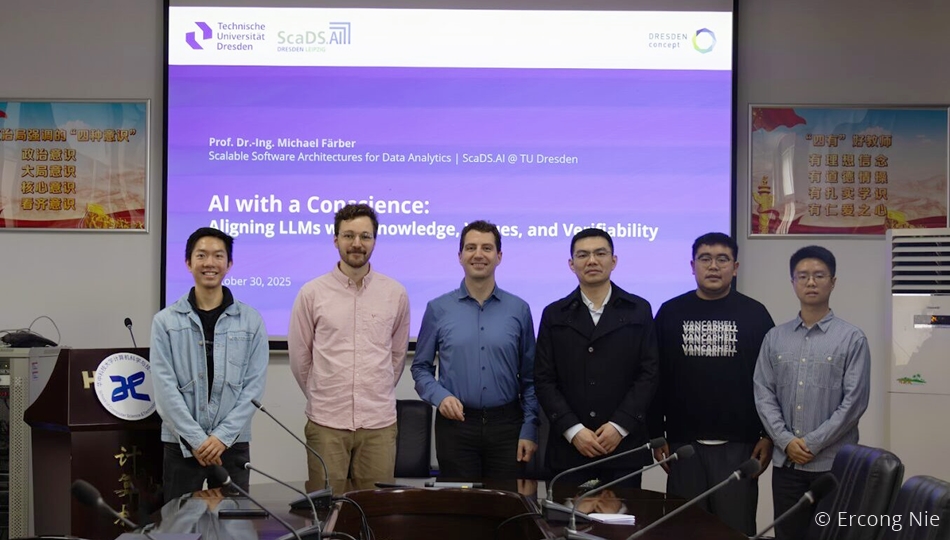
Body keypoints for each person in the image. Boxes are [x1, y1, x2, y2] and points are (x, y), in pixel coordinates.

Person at [648, 232, 774, 535]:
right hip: (683, 446)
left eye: (722, 259)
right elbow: (653, 377)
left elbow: (771, 382)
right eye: (705, 259)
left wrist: (768, 435)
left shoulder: (755, 314)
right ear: (692, 266)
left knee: (735, 530)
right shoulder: (670, 313)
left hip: (740, 446)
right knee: (684, 530)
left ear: (736, 266)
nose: (713, 266)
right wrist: (655, 433)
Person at [288, 204, 410, 491]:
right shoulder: (312, 293)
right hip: (327, 423)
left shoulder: (395, 293)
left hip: (378, 424)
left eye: (365, 236)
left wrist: (375, 389)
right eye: (349, 236)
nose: (357, 244)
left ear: (374, 241)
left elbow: (396, 355)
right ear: (336, 240)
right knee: (328, 513)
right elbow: (300, 357)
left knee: (377, 513)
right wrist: (324, 393)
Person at [754, 245, 870, 540]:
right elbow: (763, 393)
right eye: (802, 276)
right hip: (787, 466)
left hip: (834, 465)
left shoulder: (852, 338)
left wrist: (811, 443)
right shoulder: (775, 338)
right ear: (792, 282)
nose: (810, 282)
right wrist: (785, 441)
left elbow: (854, 403)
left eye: (819, 275)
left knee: (832, 536)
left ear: (833, 282)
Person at [412, 220, 538, 478]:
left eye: (487, 248)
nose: (478, 255)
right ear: (460, 256)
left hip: (507, 427)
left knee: (505, 510)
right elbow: (421, 368)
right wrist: (440, 396)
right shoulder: (438, 309)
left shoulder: (519, 309)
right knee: (460, 510)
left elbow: (531, 378)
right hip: (456, 427)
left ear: (499, 256)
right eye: (470, 248)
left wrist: (529, 428)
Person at [151, 227, 269, 502]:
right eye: (201, 255)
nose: (209, 263)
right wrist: (197, 440)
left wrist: (221, 438)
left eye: (218, 256)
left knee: (235, 525)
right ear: (188, 262)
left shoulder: (251, 321)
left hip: (232, 444)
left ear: (229, 264)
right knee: (179, 526)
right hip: (181, 445)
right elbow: (165, 390)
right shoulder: (166, 322)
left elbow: (253, 388)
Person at [535, 228, 659, 487]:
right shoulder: (554, 314)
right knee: (564, 526)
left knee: (623, 526)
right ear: (572, 264)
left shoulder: (639, 309)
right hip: (570, 449)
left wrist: (620, 426)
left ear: (614, 261)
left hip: (624, 447)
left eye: (600, 253)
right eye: (583, 255)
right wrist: (574, 430)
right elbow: (544, 379)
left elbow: (649, 374)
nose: (592, 261)